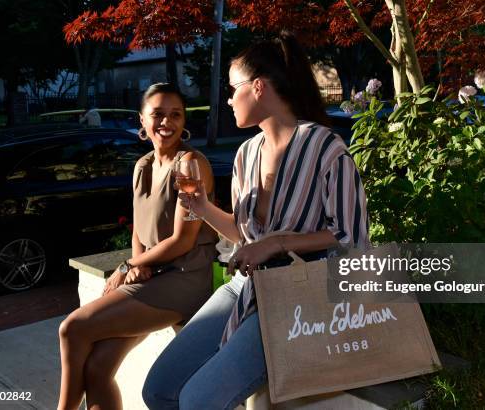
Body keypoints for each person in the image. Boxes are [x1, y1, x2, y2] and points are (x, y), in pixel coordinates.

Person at [142, 33, 369, 410]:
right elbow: (246, 236)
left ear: (258, 87)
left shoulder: (325, 148)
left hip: (299, 298)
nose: (228, 99)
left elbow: (351, 237)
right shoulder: (246, 154)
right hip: (245, 288)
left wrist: (279, 243)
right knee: (159, 389)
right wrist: (202, 208)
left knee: (198, 401)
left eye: (233, 89)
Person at [57, 83, 217, 410]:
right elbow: (139, 232)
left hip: (184, 280)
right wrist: (137, 263)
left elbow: (183, 239)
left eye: (175, 115)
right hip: (152, 278)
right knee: (98, 368)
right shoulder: (142, 166)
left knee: (72, 329)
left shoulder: (190, 166)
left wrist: (127, 267)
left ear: (184, 121)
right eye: (157, 114)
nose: (166, 122)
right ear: (142, 119)